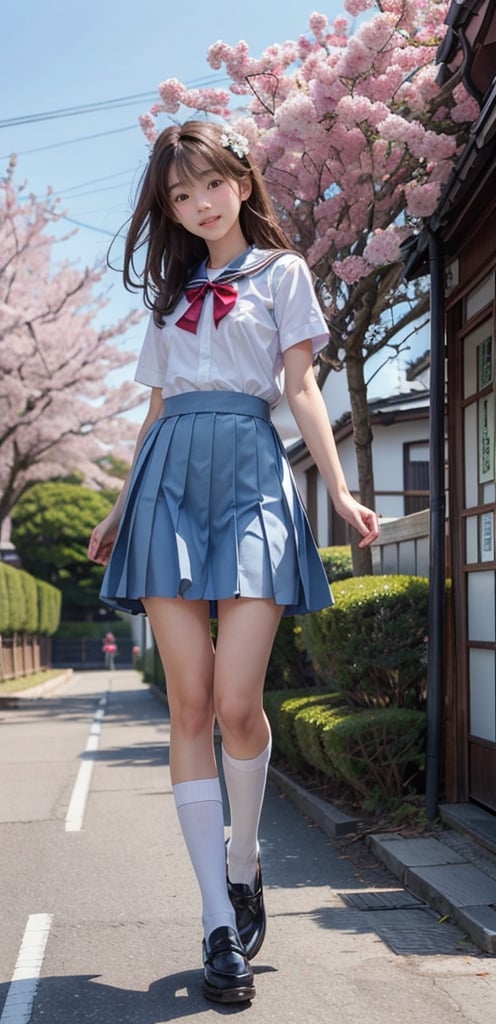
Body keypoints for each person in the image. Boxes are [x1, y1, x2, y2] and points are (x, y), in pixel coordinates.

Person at [88, 120, 379, 1004]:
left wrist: (337, 486)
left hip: (253, 479)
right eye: (178, 195)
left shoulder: (283, 274)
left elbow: (298, 390)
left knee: (236, 703)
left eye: (208, 184)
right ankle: (219, 922)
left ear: (242, 182)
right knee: (188, 703)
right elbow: (156, 408)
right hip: (168, 481)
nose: (197, 204)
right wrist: (116, 505)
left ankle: (245, 859)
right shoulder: (169, 292)